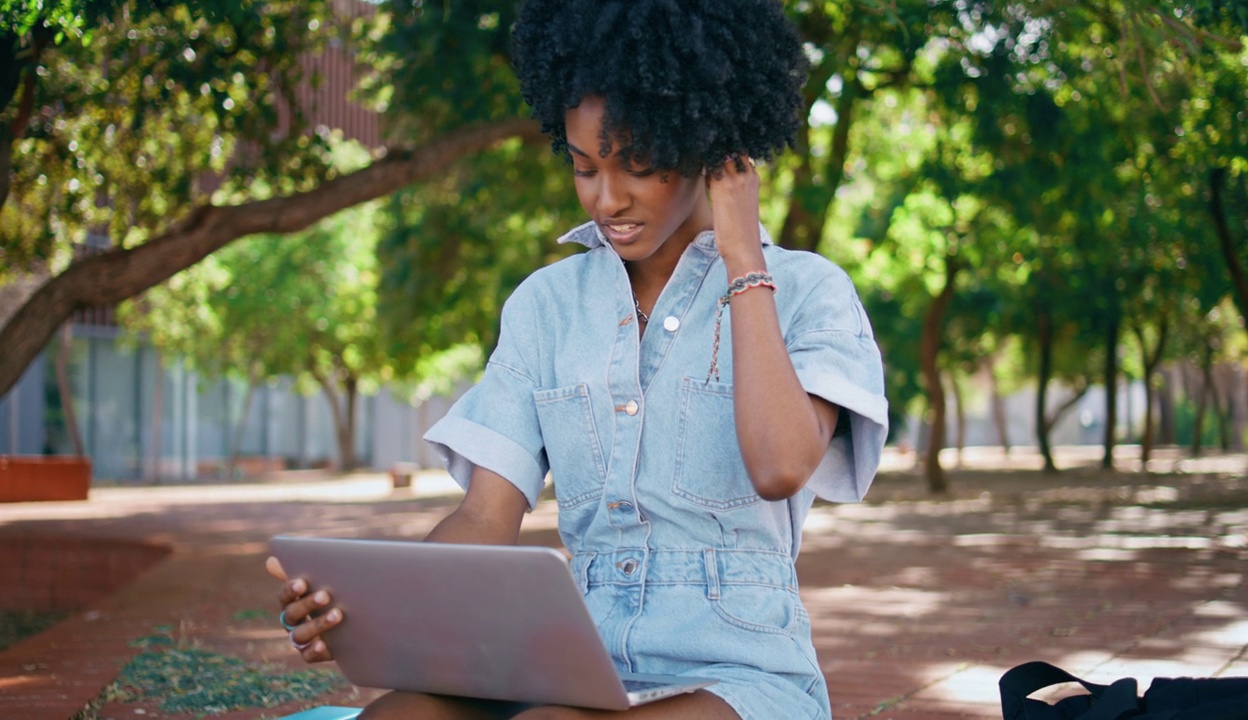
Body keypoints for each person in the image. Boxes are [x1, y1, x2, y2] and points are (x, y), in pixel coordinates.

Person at [268, 0, 888, 717]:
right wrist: (365, 609)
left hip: (741, 672)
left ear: (712, 147)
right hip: (573, 659)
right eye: (584, 167)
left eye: (639, 166)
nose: (607, 199)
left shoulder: (809, 291)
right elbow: (485, 517)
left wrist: (743, 254)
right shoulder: (546, 306)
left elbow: (782, 466)